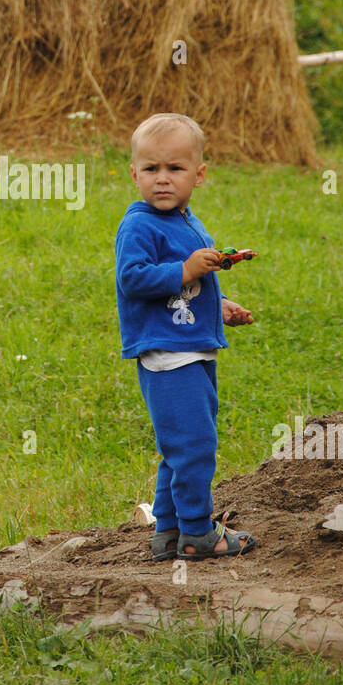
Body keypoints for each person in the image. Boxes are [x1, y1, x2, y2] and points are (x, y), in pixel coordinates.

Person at [114, 112, 257, 561]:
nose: (162, 180)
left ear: (199, 174)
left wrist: (219, 304)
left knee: (179, 445)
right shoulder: (140, 225)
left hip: (191, 349)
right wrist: (186, 269)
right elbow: (133, 278)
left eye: (174, 169)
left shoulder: (185, 220)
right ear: (134, 173)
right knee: (195, 445)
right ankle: (198, 532)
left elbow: (189, 284)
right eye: (151, 169)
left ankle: (169, 531)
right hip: (167, 353)